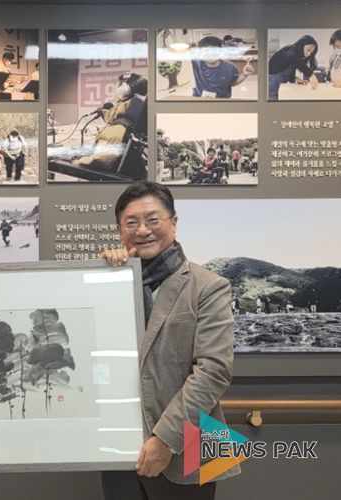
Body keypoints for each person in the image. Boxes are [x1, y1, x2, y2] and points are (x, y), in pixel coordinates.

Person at [100, 181, 237, 500]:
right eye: (131, 222)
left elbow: (213, 371)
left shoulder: (209, 286)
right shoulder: (112, 283)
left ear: (173, 223)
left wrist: (165, 439)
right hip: (119, 448)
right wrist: (100, 277)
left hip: (189, 448)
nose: (142, 230)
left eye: (153, 219)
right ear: (120, 230)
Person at [75, 73, 148, 170]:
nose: (116, 90)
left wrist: (75, 162)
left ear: (124, 91)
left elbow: (99, 162)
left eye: (119, 86)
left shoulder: (118, 128)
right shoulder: (126, 121)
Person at [268, 35, 318, 101]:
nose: (308, 54)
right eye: (308, 50)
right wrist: (311, 75)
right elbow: (294, 60)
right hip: (272, 84)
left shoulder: (295, 56)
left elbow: (289, 71)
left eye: (311, 53)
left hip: (278, 85)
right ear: (302, 45)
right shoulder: (291, 51)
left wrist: (295, 79)